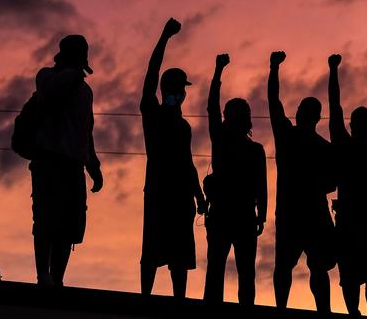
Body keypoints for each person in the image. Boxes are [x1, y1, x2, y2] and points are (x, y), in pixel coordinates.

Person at [139, 18, 207, 297]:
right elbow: (151, 73)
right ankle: (145, 297)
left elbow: (188, 163)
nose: (182, 94)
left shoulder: (183, 126)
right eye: (180, 89)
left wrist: (199, 196)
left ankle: (179, 300)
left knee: (179, 254)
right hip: (158, 191)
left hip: (181, 196)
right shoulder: (153, 113)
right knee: (153, 247)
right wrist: (165, 36)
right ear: (173, 91)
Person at [31, 34, 103, 286]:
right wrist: (73, 72)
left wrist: (93, 165)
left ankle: (57, 279)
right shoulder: (46, 77)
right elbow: (51, 93)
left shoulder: (85, 91)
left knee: (68, 226)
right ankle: (44, 276)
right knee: (45, 220)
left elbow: (86, 131)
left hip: (73, 165)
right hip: (48, 161)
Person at [267, 51, 336, 313]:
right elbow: (332, 183)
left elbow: (273, 101)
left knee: (294, 265)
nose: (298, 113)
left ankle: (288, 309)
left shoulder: (289, 136)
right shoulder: (315, 144)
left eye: (301, 110)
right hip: (306, 213)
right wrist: (274, 68)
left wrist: (274, 68)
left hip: (296, 213)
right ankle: (320, 311)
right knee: (306, 266)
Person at [327, 54, 367, 318]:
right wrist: (333, 71)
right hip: (351, 223)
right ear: (354, 127)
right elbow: (334, 107)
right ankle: (354, 313)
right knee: (351, 276)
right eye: (362, 123)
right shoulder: (344, 147)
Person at [203, 53, 267, 305]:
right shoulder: (227, 141)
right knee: (236, 272)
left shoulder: (229, 142)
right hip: (232, 214)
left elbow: (261, 185)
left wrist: (261, 215)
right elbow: (211, 107)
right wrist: (261, 215)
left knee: (227, 271)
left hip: (234, 215)